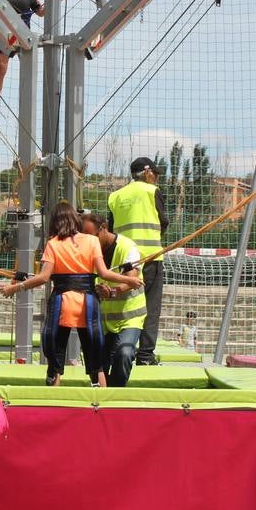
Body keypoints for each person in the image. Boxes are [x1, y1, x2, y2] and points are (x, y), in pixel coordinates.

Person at [1, 201, 142, 387]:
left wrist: (15, 288)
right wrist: (129, 280)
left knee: (55, 357)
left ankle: (54, 396)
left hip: (62, 304)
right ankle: (101, 396)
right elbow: (104, 273)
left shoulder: (53, 244)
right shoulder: (92, 241)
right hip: (87, 305)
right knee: (96, 360)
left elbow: (43, 277)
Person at [108, 156, 169, 366]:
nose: (157, 178)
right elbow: (163, 222)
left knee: (124, 305)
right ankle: (145, 356)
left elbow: (110, 230)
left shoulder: (115, 196)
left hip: (124, 261)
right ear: (146, 172)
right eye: (156, 173)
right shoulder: (152, 192)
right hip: (149, 258)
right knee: (150, 308)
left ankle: (117, 350)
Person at [80, 210, 146, 388]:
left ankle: (116, 396)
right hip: (103, 320)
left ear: (103, 228)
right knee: (98, 363)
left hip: (129, 317)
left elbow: (132, 279)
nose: (87, 241)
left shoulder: (127, 247)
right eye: (83, 237)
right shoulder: (88, 251)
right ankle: (103, 397)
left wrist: (112, 292)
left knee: (124, 353)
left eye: (90, 236)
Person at [0, 0, 44, 120]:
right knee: (1, 67)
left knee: (29, 70)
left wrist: (54, 1)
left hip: (24, 38)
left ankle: (28, 107)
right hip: (7, 36)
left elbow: (41, 13)